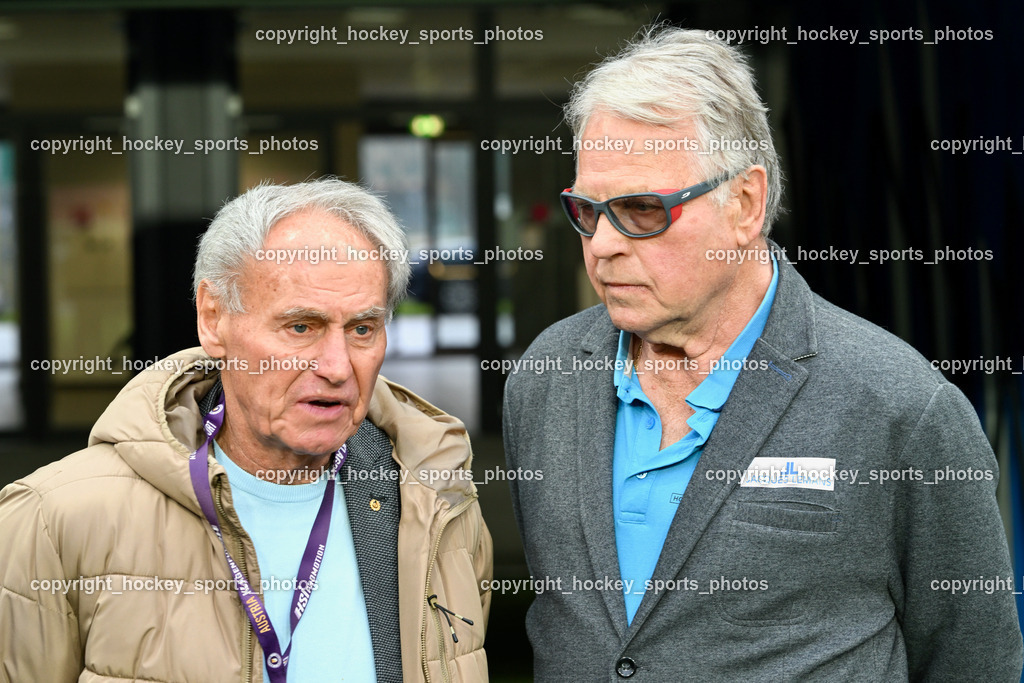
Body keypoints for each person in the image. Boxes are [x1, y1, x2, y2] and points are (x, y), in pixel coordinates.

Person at [503, 26, 1022, 681]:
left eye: (640, 209)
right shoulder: (543, 381)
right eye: (587, 209)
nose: (602, 244)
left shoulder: (901, 408)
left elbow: (973, 660)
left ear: (744, 203)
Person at [0, 178, 491, 682]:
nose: (338, 367)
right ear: (213, 319)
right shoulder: (53, 520)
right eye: (302, 327)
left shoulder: (438, 502)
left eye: (362, 329)